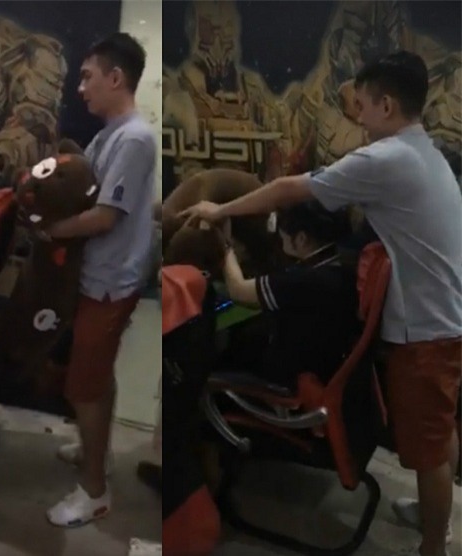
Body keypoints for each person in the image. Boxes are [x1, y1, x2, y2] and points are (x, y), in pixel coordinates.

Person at [180, 51, 462, 556]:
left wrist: (219, 210)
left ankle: (434, 546)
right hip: (442, 319)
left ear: (387, 105)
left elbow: (290, 188)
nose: (359, 116)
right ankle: (431, 515)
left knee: (430, 450)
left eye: (363, 105)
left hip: (427, 331)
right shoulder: (427, 152)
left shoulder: (387, 158)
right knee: (438, 435)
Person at [37, 33, 157, 527]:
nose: (80, 88)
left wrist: (52, 231)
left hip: (111, 282)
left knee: (83, 388)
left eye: (88, 77)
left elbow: (105, 216)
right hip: (96, 277)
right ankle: (98, 453)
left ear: (116, 77)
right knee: (96, 376)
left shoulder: (134, 138)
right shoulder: (109, 135)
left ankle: (94, 492)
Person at [219, 201, 359, 389]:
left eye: (283, 229)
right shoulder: (344, 272)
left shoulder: (306, 280)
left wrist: (225, 244)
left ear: (301, 238)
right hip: (322, 370)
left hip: (288, 379)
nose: (280, 234)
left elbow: (238, 291)